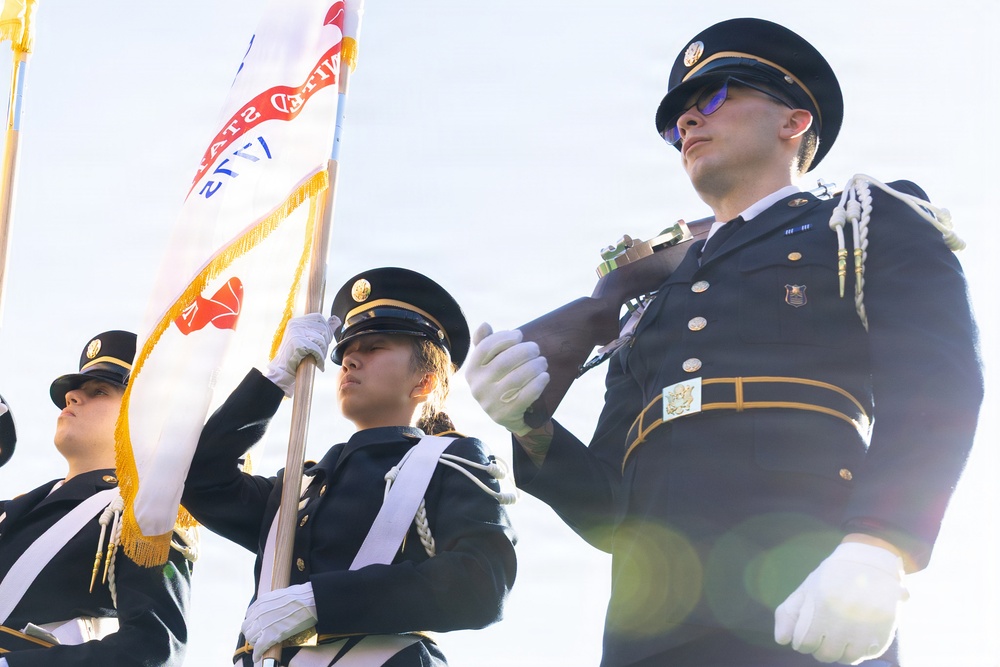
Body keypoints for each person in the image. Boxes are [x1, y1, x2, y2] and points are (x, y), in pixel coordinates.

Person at [466, 17, 982, 667]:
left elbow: (937, 387)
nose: (687, 121)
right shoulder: (652, 299)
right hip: (651, 629)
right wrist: (528, 422)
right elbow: (610, 508)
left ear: (793, 121)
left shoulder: (863, 222)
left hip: (805, 596)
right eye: (676, 117)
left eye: (712, 97)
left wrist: (880, 544)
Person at [182, 267, 517, 666]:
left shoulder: (451, 462)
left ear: (425, 382)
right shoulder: (297, 489)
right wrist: (275, 379)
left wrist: (319, 602)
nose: (350, 360)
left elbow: (481, 584)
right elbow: (199, 478)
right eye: (346, 352)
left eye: (374, 348)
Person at [0, 330, 194, 666]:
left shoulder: (143, 513)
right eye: (75, 391)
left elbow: (153, 648)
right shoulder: (12, 510)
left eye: (99, 391)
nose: (72, 396)